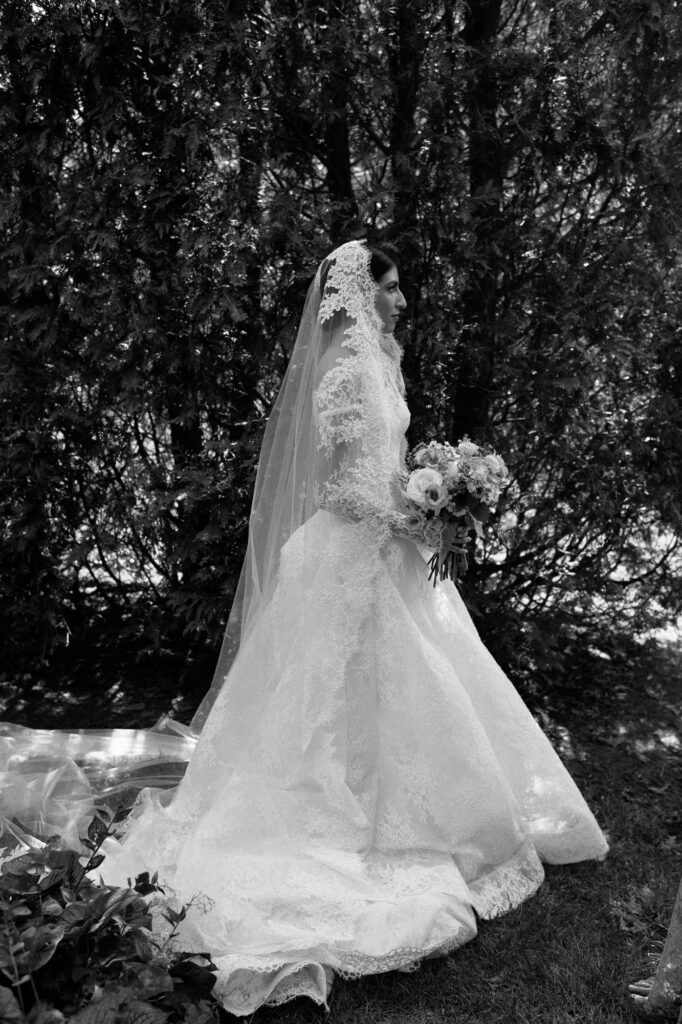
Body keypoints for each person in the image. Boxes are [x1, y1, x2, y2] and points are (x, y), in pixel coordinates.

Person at [0, 240, 608, 1015]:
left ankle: (444, 818)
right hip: (350, 554)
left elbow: (380, 467)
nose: (405, 300)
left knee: (417, 683)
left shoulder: (382, 363)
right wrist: (417, 514)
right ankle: (336, 834)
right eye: (394, 288)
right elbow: (339, 486)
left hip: (384, 552)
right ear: (362, 293)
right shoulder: (348, 370)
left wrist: (428, 496)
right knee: (329, 702)